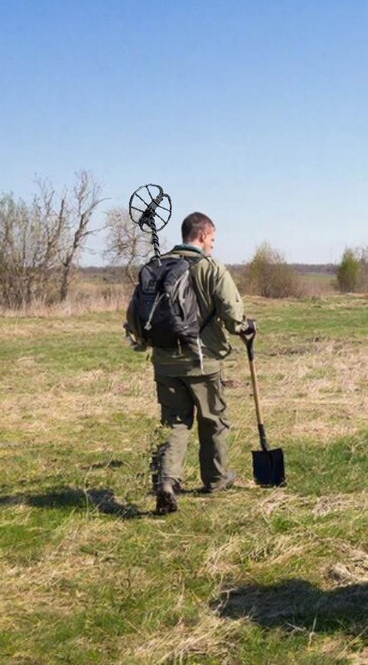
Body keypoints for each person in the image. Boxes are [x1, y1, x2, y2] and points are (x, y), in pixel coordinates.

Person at [134, 212, 255, 515]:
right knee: (213, 420)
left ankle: (166, 481)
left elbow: (134, 315)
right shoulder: (211, 268)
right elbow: (231, 312)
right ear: (201, 236)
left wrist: (145, 343)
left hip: (164, 361)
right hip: (203, 361)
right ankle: (215, 480)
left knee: (174, 422)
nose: (213, 245)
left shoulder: (156, 266)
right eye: (212, 239)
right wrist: (244, 328)